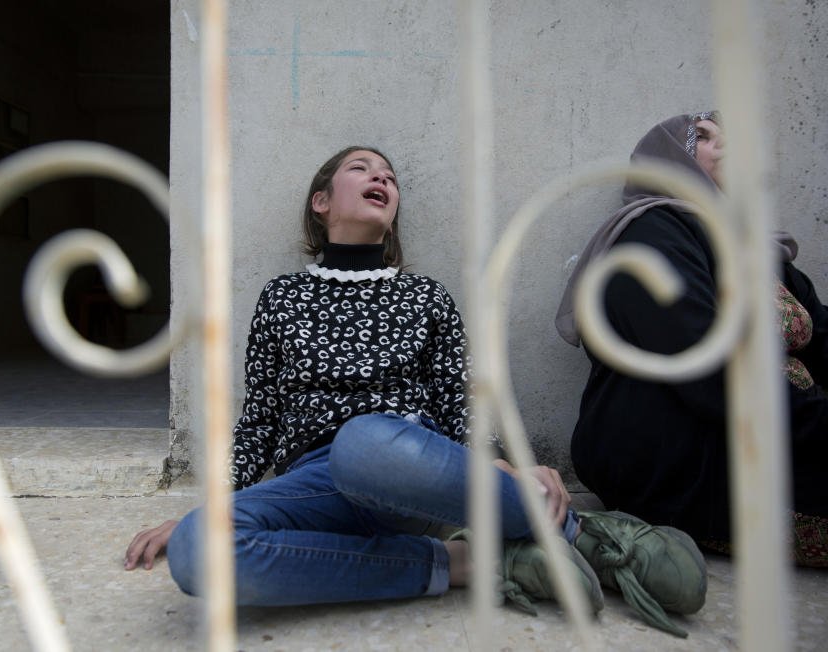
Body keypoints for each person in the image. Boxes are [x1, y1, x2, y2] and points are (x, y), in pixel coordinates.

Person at [125, 146, 707, 637]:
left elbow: (463, 402)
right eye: (361, 168)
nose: (381, 177)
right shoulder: (281, 297)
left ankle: (589, 535)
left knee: (364, 441)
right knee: (197, 552)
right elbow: (260, 419)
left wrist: (504, 465)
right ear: (321, 201)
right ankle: (470, 564)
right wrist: (215, 507)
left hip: (409, 466)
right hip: (315, 484)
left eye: (389, 176)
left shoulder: (425, 297)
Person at [556, 112, 828, 567]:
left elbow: (820, 334)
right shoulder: (651, 232)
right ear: (665, 159)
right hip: (685, 449)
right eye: (702, 136)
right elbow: (705, 364)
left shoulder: (762, 251)